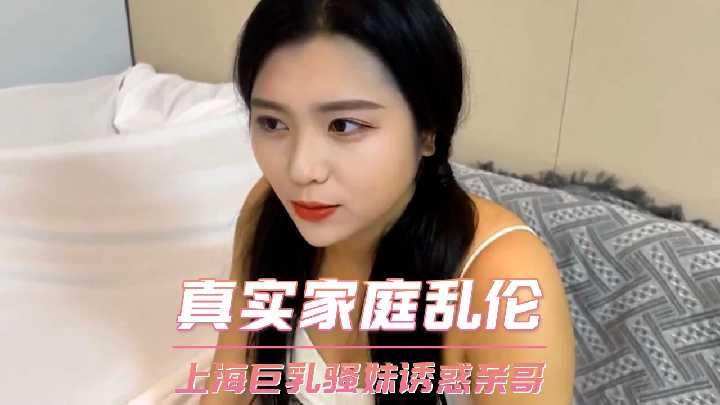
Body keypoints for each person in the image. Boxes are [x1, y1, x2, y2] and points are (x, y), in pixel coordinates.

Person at [201, 0, 575, 404]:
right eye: (273, 123)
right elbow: (229, 386)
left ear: (428, 131)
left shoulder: (502, 280)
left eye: (344, 125)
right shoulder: (269, 211)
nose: (300, 169)